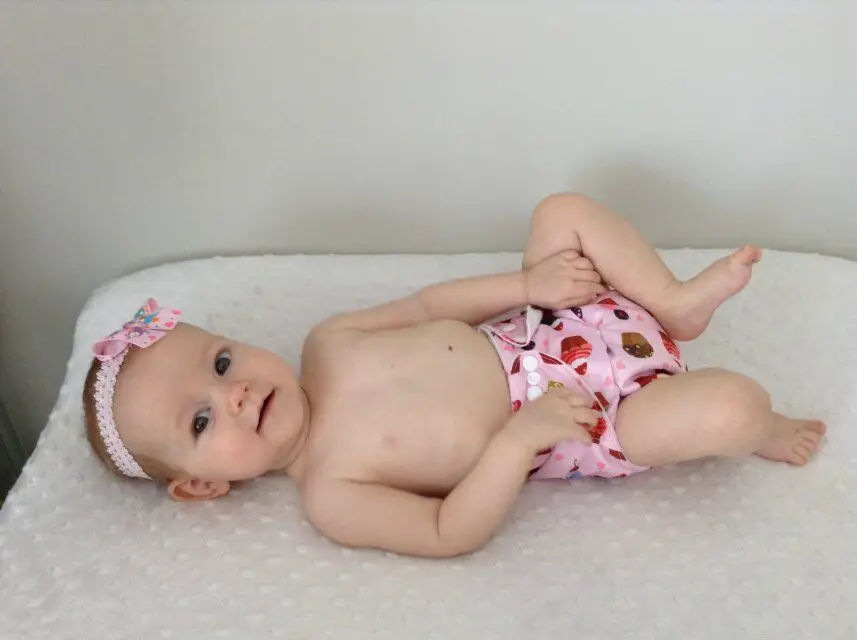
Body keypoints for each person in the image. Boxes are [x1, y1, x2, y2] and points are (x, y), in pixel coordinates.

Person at [82, 193, 826, 558]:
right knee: (732, 409)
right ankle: (768, 430)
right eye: (202, 420)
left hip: (553, 321)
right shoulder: (333, 494)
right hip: (591, 419)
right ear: (201, 485)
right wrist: (518, 441)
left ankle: (671, 303)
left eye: (221, 363)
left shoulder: (327, 341)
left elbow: (430, 305)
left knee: (562, 211)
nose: (234, 392)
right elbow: (447, 531)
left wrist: (529, 285)